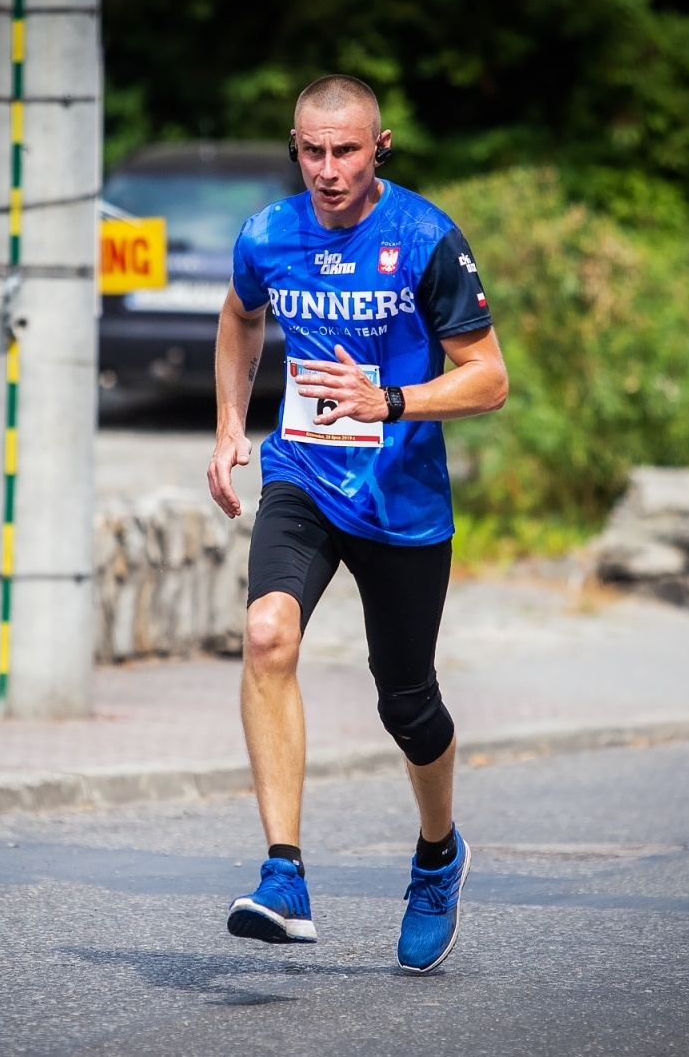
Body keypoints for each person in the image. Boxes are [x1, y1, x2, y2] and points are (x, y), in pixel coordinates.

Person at [206, 74, 508, 974]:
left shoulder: (423, 238)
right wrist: (229, 424)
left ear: (379, 147)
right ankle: (284, 872)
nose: (327, 170)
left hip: (401, 498)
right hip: (302, 473)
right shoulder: (267, 234)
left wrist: (390, 399)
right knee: (267, 635)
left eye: (345, 151)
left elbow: (489, 377)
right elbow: (238, 314)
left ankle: (437, 853)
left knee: (407, 703)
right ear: (293, 148)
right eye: (311, 151)